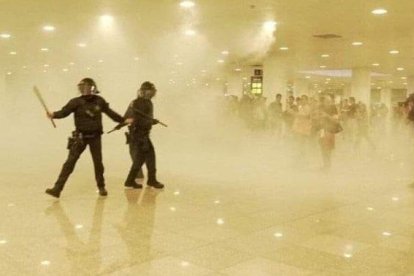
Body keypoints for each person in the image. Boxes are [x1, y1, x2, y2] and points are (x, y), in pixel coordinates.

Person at [45, 78, 125, 198]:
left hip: (95, 137)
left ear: (92, 87)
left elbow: (111, 113)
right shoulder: (75, 102)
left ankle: (101, 187)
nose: (83, 89)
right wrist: (54, 115)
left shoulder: (100, 101)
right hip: (80, 137)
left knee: (98, 163)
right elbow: (64, 112)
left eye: (86, 86)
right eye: (82, 87)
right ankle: (57, 189)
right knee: (69, 163)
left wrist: (123, 120)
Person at [123, 81, 164, 189]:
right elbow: (134, 119)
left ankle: (131, 181)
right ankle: (151, 180)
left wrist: (150, 122)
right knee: (149, 157)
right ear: (144, 91)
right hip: (139, 135)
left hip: (143, 135)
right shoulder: (137, 103)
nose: (152, 93)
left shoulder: (147, 102)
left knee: (140, 159)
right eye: (150, 91)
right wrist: (151, 122)